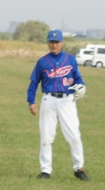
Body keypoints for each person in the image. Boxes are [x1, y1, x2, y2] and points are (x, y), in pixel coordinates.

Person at [26, 29, 90, 181]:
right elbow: (34, 83)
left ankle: (78, 168)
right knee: (46, 136)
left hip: (67, 101)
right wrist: (31, 101)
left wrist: (82, 86)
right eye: (51, 42)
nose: (54, 45)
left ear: (62, 43)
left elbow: (78, 80)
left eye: (57, 42)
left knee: (74, 135)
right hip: (48, 100)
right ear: (48, 43)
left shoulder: (70, 59)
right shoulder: (42, 62)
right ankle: (45, 170)